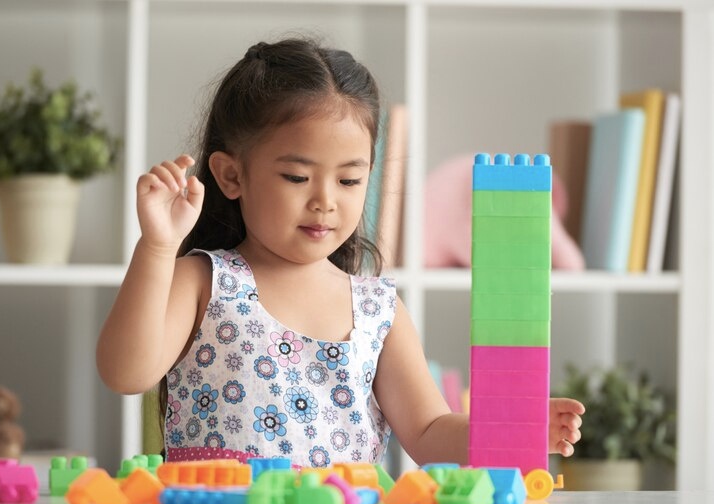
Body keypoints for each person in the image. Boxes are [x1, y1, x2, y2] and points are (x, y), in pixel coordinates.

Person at [97, 37, 584, 468]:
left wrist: (514, 429)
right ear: (231, 175)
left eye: (349, 180)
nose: (325, 201)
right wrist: (158, 245)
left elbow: (431, 430)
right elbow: (126, 373)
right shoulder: (203, 280)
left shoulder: (378, 309)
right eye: (296, 177)